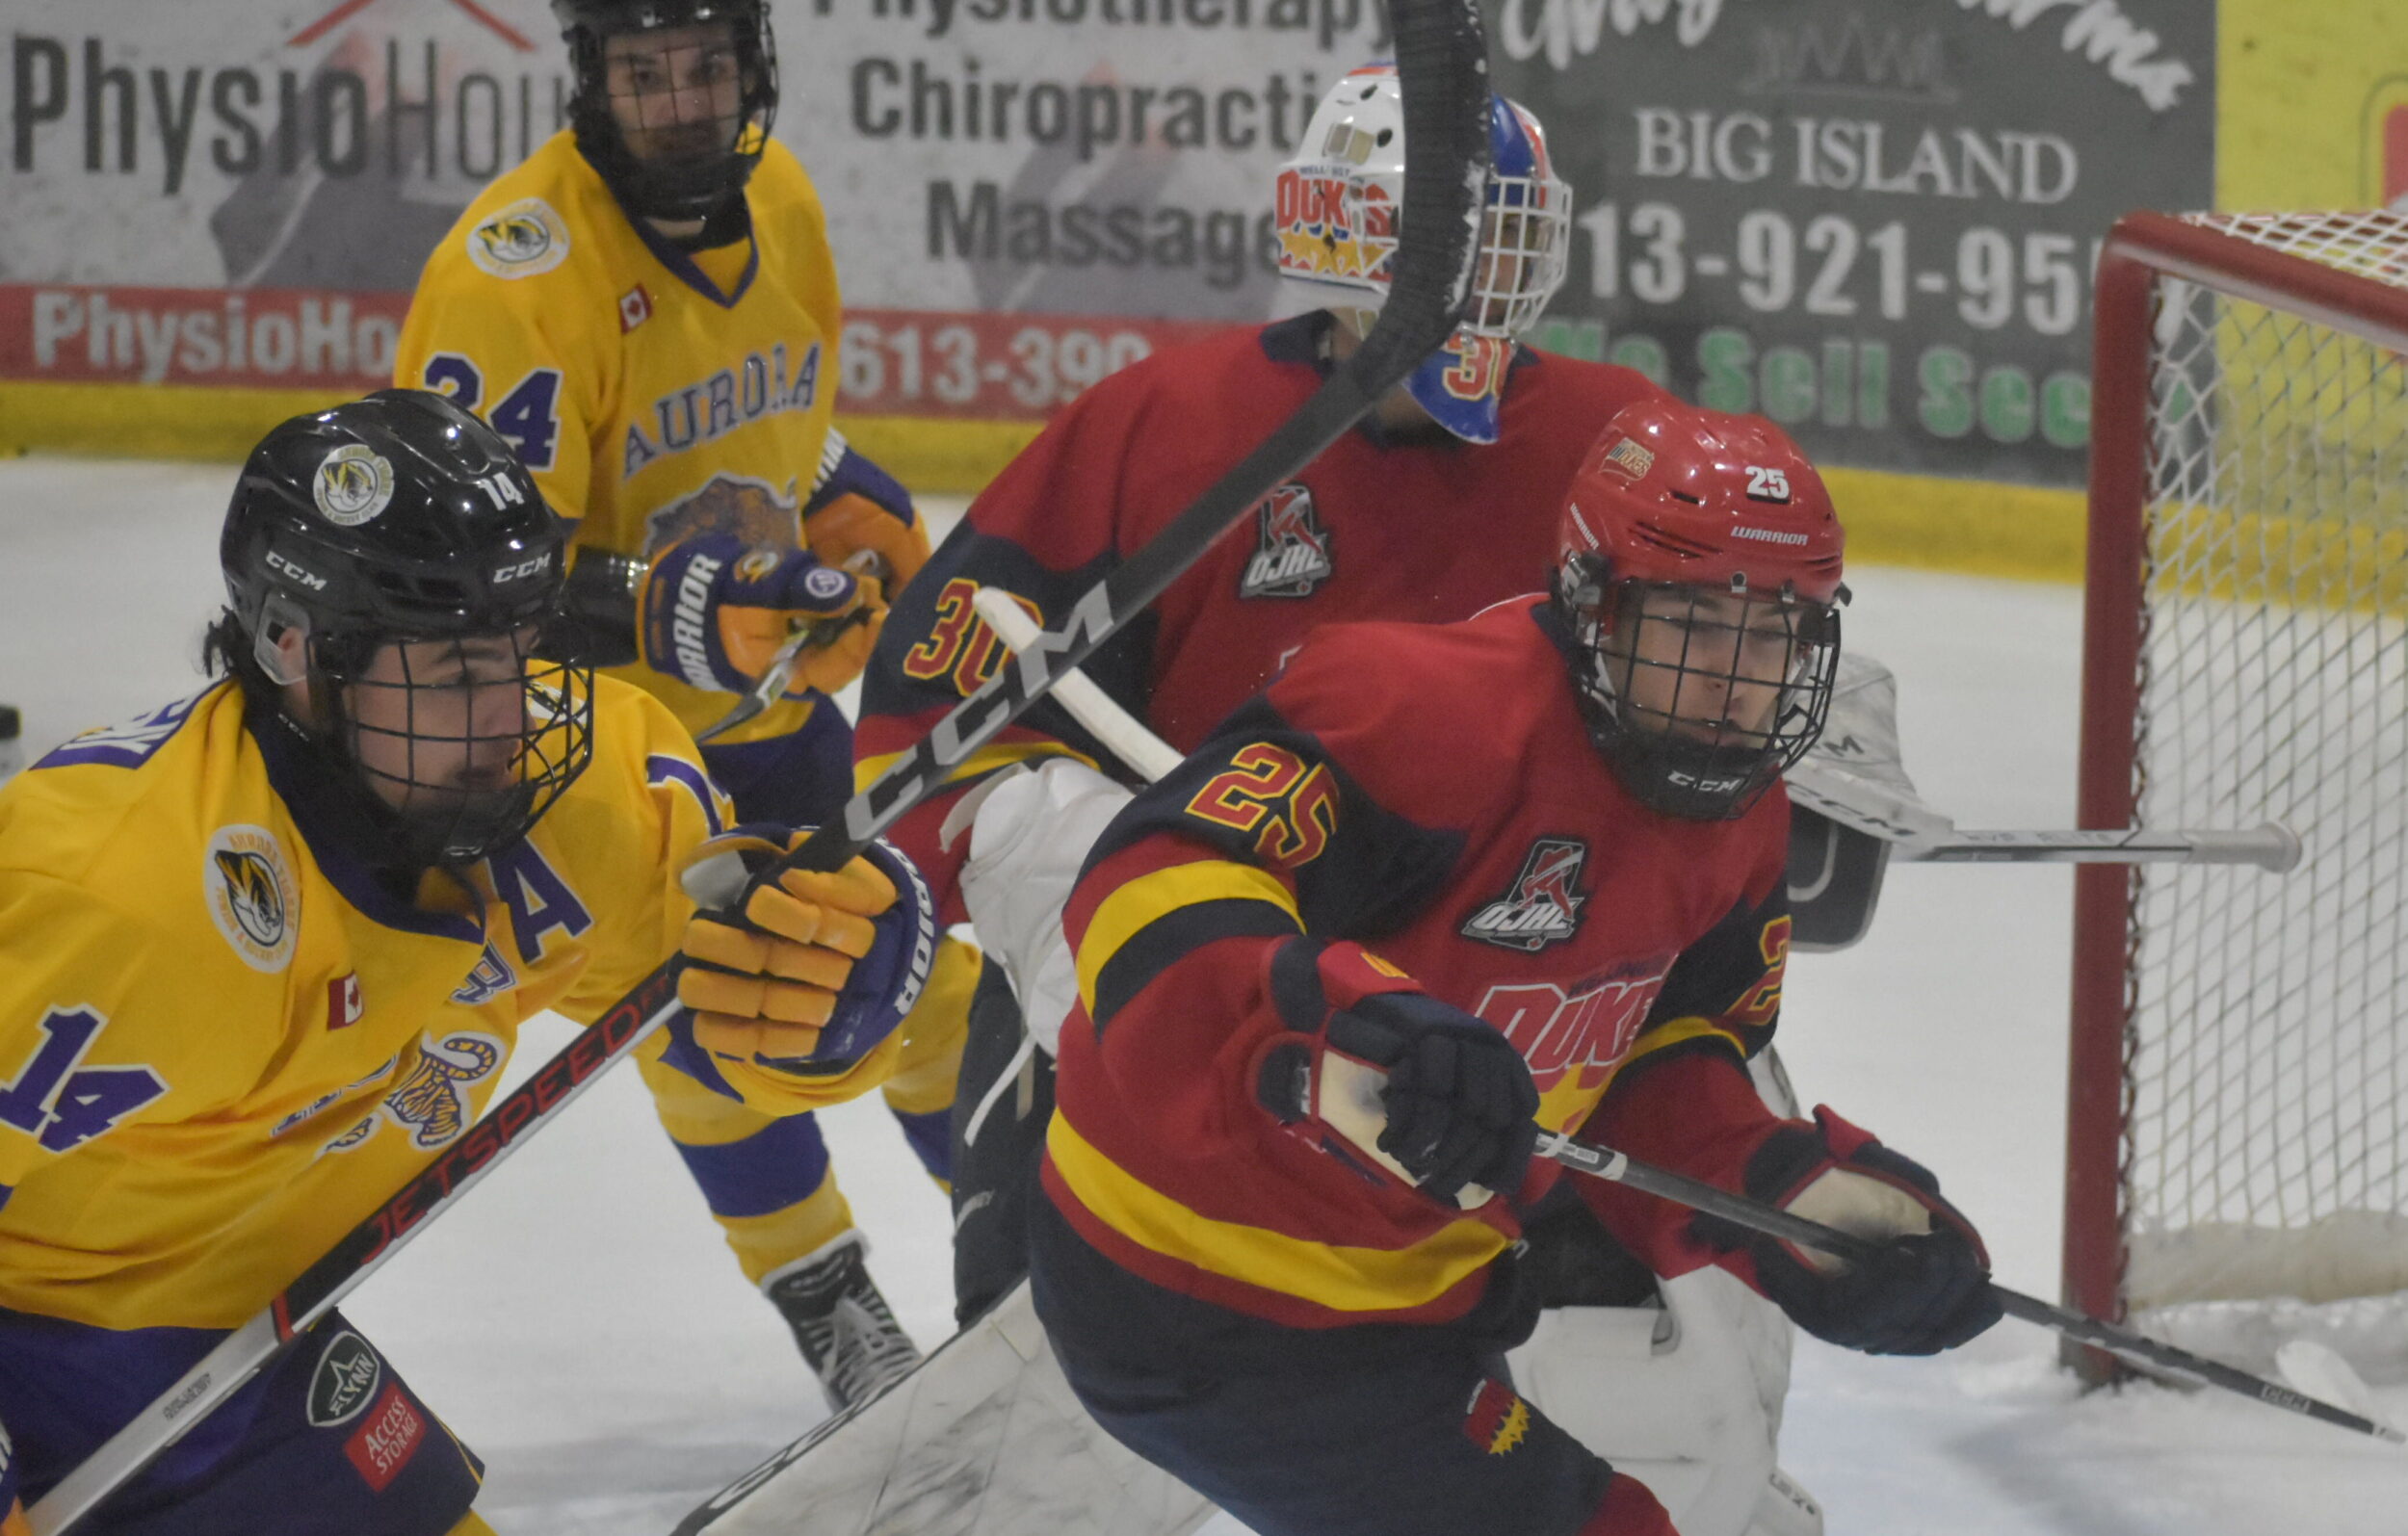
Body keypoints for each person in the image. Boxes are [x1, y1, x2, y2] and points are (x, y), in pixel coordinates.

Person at [1026, 399, 2004, 1536]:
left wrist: (1805, 1201)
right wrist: (1351, 1026)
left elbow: (1658, 1059)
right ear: (1593, 602)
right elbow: (1147, 874)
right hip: (1195, 1296)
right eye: (1691, 625)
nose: (1736, 681)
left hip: (1417, 1303)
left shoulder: (1741, 812)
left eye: (1776, 631)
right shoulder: (1421, 712)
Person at [0, 392, 931, 1536]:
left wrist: (840, 998)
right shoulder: (113, 898)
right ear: (298, 654)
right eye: (449, 675)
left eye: (513, 655)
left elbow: (731, 1024)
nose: (506, 718)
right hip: (36, 1340)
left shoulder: (581, 806)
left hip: (238, 1351)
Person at [855, 61, 1656, 1321]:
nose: (1487, 276)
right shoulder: (1169, 426)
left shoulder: (1615, 445)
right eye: (1453, 238)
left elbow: (1722, 688)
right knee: (1041, 1367)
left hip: (1494, 1022)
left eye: (1507, 237)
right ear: (1346, 237)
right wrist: (970, 878)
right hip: (1193, 984)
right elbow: (939, 698)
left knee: (1612, 1365)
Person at [393, 0, 971, 1407]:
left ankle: (1049, 1237)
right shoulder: (508, 278)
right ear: (592, 79)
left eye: (705, 65)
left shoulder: (781, 197)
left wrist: (841, 488)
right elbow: (438, 579)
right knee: (731, 1021)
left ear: (752, 66)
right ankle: (828, 1297)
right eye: (642, 74)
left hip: (770, 716)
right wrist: (663, 608)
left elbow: (768, 412)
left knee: (934, 979)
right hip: (581, 761)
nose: (678, 103)